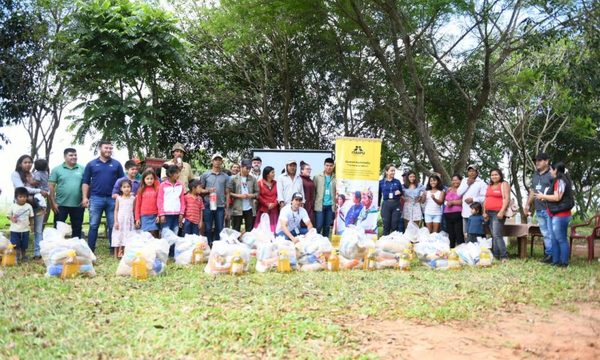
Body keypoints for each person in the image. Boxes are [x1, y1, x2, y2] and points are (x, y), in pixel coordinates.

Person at [82, 140, 124, 253]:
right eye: (106, 148)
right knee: (94, 225)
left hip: (113, 199)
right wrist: (85, 197)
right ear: (100, 148)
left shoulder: (116, 164)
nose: (109, 150)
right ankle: (90, 250)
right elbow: (85, 182)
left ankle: (113, 250)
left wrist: (122, 196)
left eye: (110, 148)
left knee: (112, 225)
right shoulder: (91, 164)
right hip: (96, 198)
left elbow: (123, 182)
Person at [534, 161, 574, 267]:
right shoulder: (557, 181)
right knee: (554, 238)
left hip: (561, 215)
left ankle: (564, 262)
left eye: (551, 169)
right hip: (554, 214)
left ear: (555, 170)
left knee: (561, 239)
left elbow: (557, 197)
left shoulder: (560, 181)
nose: (550, 171)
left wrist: (543, 196)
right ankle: (556, 261)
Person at [11, 155, 47, 259]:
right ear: (20, 164)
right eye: (25, 162)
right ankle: (18, 255)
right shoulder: (16, 174)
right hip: (22, 207)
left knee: (38, 230)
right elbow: (21, 189)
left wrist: (41, 191)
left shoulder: (34, 175)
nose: (28, 164)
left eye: (30, 162)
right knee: (19, 229)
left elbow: (42, 187)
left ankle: (38, 254)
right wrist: (39, 191)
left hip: (37, 206)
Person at [49, 148, 85, 239]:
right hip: (61, 205)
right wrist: (53, 203)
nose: (74, 157)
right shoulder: (57, 169)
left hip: (78, 205)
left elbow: (87, 185)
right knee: (58, 230)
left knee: (77, 229)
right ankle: (57, 249)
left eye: (75, 155)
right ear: (65, 157)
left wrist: (85, 198)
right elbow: (51, 187)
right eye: (71, 155)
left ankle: (75, 249)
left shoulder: (82, 169)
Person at [525, 152, 554, 263]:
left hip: (550, 208)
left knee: (552, 233)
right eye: (536, 160)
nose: (537, 162)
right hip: (539, 209)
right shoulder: (535, 175)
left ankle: (555, 256)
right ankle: (549, 256)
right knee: (545, 234)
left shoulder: (552, 173)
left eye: (540, 160)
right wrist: (527, 204)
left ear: (547, 161)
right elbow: (533, 191)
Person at [200, 153, 230, 245]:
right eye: (215, 159)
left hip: (220, 205)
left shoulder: (225, 176)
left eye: (219, 160)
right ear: (212, 161)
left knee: (219, 227)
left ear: (221, 162)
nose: (217, 161)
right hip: (208, 204)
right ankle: (208, 244)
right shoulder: (205, 175)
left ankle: (217, 246)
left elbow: (227, 193)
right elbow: (200, 190)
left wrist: (227, 208)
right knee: (208, 227)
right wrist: (207, 190)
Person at [483, 168, 510, 262]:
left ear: (500, 175)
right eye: (492, 175)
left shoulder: (504, 184)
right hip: (488, 212)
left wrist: (502, 211)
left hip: (498, 213)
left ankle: (504, 256)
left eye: (496, 174)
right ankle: (495, 255)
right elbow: (486, 199)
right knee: (494, 235)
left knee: (497, 234)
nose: (494, 176)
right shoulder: (489, 185)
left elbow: (507, 198)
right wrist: (484, 212)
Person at [229, 160, 259, 232]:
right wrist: (239, 196)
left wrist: (251, 195)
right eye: (246, 168)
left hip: (249, 208)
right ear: (241, 167)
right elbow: (229, 193)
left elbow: (257, 193)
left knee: (250, 230)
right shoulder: (233, 179)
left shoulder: (253, 179)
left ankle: (248, 243)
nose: (248, 170)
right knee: (235, 230)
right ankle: (235, 242)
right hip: (237, 208)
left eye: (249, 168)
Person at [457, 164, 487, 234]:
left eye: (473, 171)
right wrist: (468, 184)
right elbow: (459, 193)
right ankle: (468, 245)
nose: (471, 173)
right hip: (465, 212)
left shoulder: (481, 183)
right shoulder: (464, 181)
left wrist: (473, 199)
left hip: (476, 213)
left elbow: (484, 197)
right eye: (469, 171)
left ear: (477, 172)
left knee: (474, 233)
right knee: (466, 233)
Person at [8, 187, 34, 262]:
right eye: (20, 197)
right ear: (16, 197)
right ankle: (17, 256)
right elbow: (8, 215)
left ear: (27, 197)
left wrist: (32, 226)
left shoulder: (29, 206)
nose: (23, 198)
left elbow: (31, 217)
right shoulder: (13, 206)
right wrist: (12, 218)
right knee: (15, 245)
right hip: (15, 230)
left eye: (24, 197)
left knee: (24, 245)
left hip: (25, 229)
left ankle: (24, 256)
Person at [158, 165, 185, 235]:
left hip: (177, 214)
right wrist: (161, 214)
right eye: (176, 173)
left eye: (179, 173)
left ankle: (173, 247)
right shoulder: (163, 185)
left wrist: (181, 213)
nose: (178, 175)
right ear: (170, 174)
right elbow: (160, 200)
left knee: (175, 234)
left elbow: (182, 200)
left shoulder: (180, 185)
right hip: (166, 214)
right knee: (165, 235)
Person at [314, 157, 336, 237]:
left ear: (333, 166)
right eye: (327, 165)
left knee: (327, 227)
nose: (329, 167)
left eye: (331, 165)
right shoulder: (317, 177)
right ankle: (316, 243)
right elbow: (314, 191)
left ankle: (325, 244)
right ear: (324, 166)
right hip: (320, 206)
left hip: (330, 206)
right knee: (318, 226)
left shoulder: (336, 178)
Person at [112, 180, 135, 258]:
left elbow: (134, 210)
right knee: (118, 236)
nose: (126, 189)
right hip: (120, 220)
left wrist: (135, 221)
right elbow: (116, 210)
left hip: (129, 221)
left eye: (128, 187)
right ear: (121, 189)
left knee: (128, 236)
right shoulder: (119, 198)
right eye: (124, 187)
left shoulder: (133, 198)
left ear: (131, 188)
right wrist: (115, 221)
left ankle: (125, 255)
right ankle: (116, 255)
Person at [135, 169, 160, 238]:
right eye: (147, 178)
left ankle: (155, 249)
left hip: (154, 216)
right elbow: (138, 205)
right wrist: (137, 218)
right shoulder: (141, 190)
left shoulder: (157, 189)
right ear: (143, 179)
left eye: (151, 178)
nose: (149, 180)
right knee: (145, 236)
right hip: (144, 216)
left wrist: (159, 215)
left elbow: (159, 203)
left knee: (154, 235)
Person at [378, 164, 403, 236]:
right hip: (386, 205)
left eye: (394, 171)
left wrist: (400, 193)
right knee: (386, 225)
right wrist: (378, 205)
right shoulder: (381, 182)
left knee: (394, 225)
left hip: (396, 204)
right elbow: (379, 195)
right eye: (391, 171)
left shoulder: (397, 182)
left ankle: (393, 244)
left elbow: (401, 193)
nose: (393, 172)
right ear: (386, 172)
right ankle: (384, 244)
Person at [254, 166, 279, 232]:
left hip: (274, 209)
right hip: (263, 208)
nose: (274, 174)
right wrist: (267, 204)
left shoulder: (276, 183)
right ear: (267, 174)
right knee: (263, 228)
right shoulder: (260, 183)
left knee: (274, 229)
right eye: (272, 172)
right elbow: (258, 195)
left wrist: (274, 203)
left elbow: (278, 195)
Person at [444, 174, 465, 247]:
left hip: (458, 214)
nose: (454, 181)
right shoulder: (449, 189)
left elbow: (463, 201)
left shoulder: (463, 189)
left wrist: (452, 202)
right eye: (453, 180)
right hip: (447, 213)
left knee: (459, 233)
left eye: (456, 180)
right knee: (450, 234)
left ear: (460, 181)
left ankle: (461, 250)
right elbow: (446, 200)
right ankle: (451, 250)